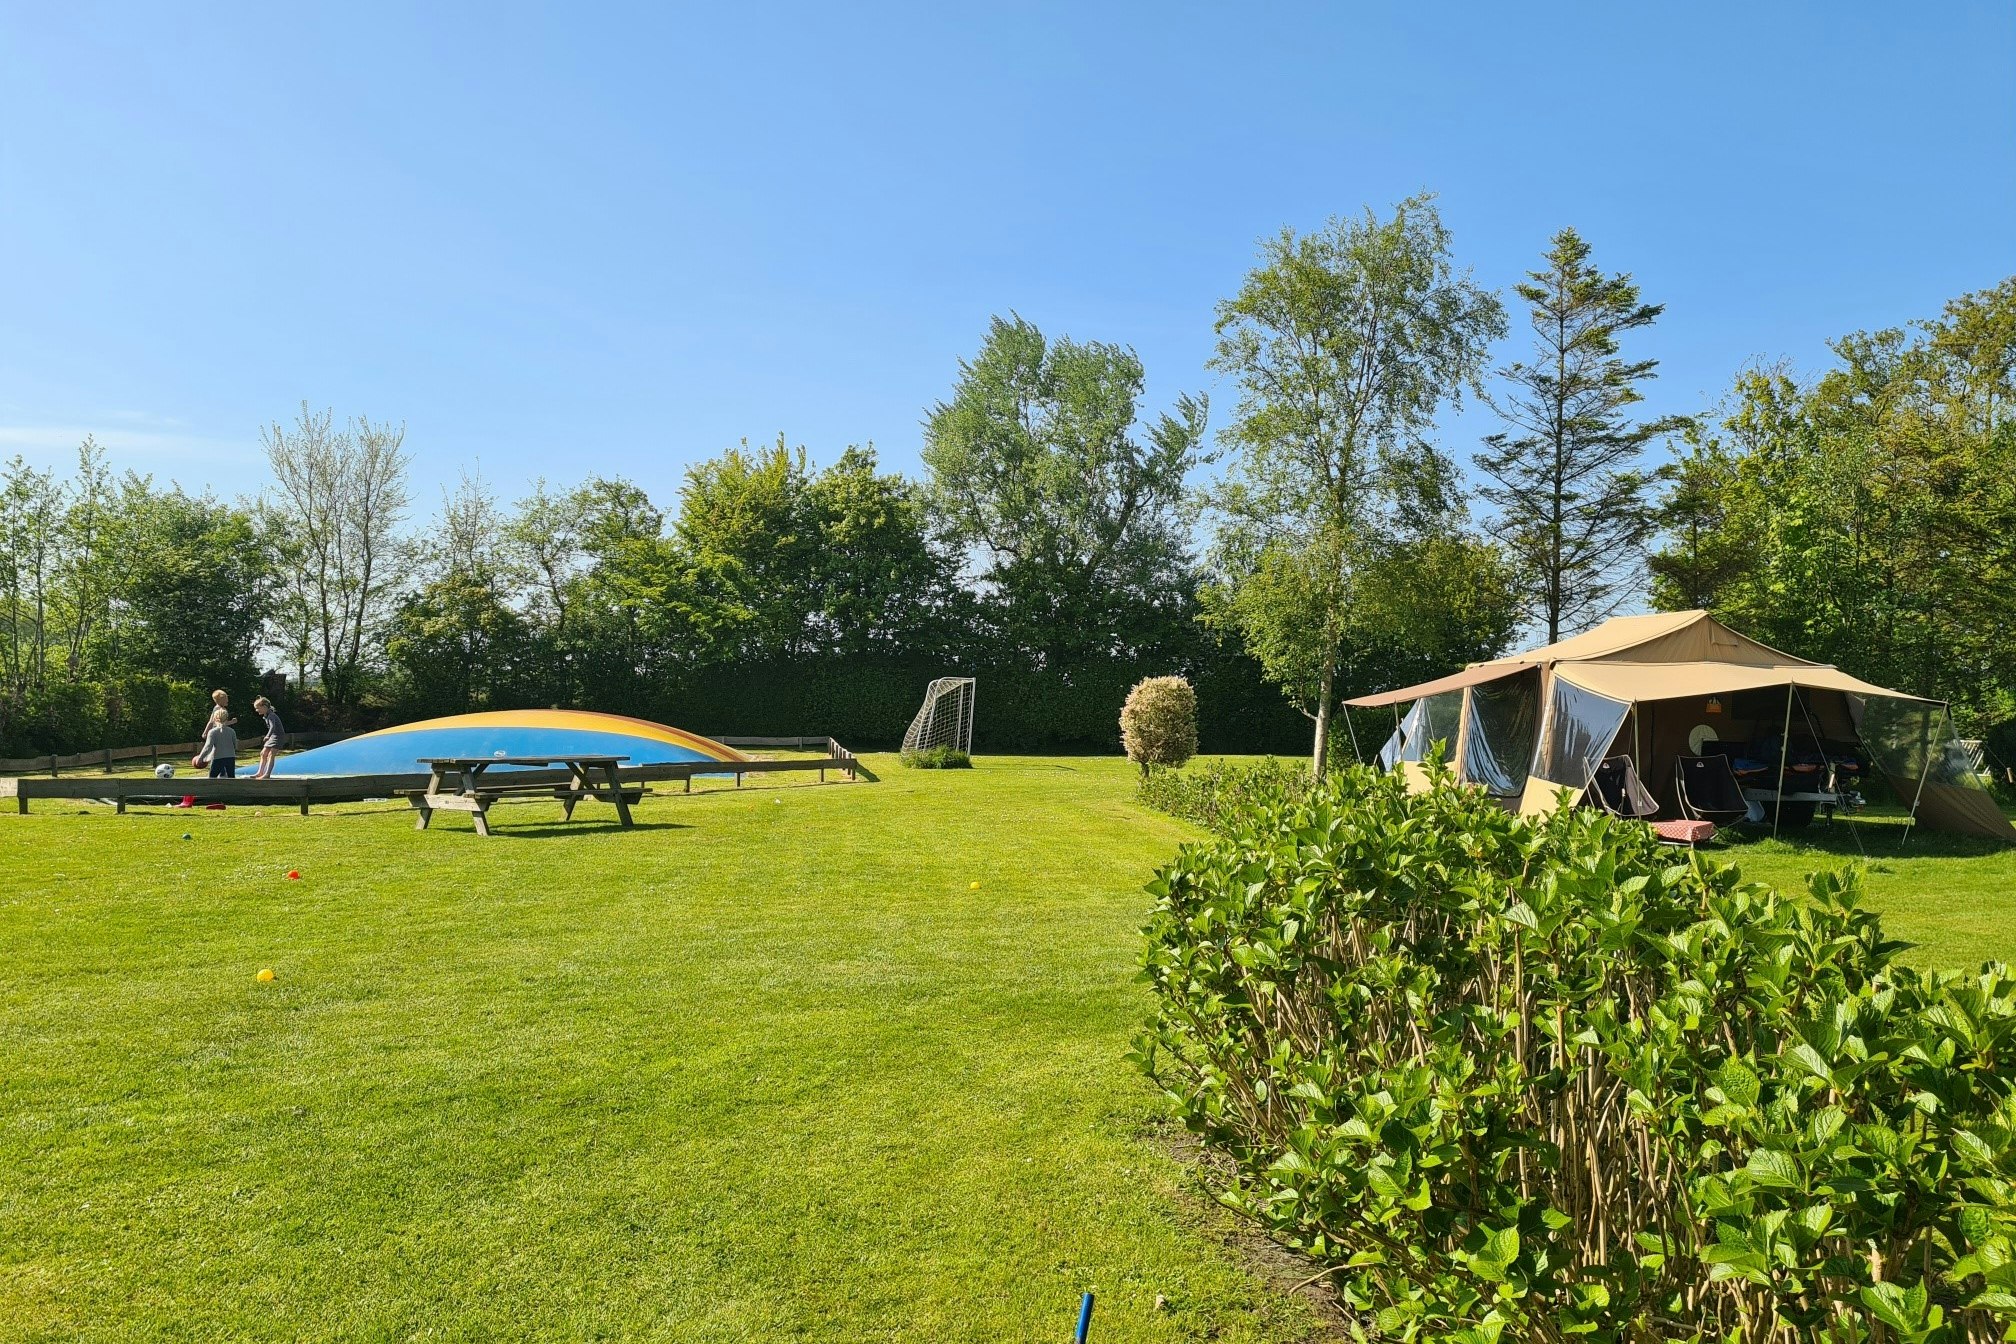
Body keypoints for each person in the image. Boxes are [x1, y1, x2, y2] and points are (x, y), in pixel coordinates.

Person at [192, 708, 239, 779]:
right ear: (226, 718)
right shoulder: (232, 731)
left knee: (212, 778)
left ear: (215, 719)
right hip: (230, 757)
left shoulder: (212, 732)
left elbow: (208, 747)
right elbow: (235, 745)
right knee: (231, 777)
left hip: (218, 758)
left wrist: (200, 757)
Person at [251, 696, 285, 779]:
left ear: (264, 707)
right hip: (273, 736)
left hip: (278, 736)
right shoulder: (266, 715)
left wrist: (267, 736)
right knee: (263, 753)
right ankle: (260, 772)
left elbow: (272, 727)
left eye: (258, 708)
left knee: (271, 754)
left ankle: (267, 774)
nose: (256, 710)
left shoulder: (271, 715)